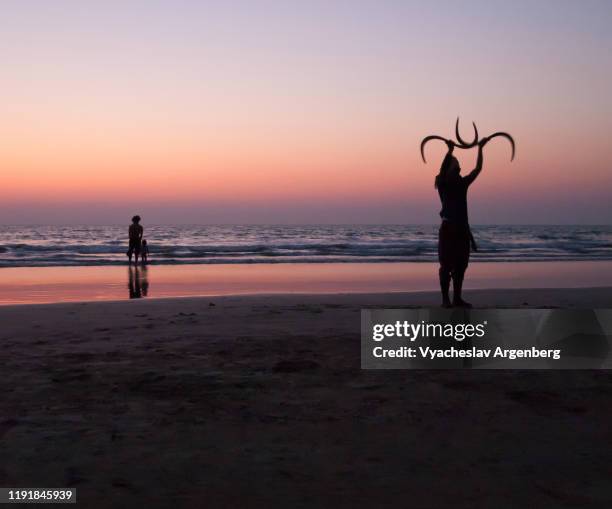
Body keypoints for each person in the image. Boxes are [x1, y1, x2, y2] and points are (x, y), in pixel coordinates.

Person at [435, 137, 489, 307]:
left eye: (456, 161)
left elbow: (478, 168)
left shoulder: (462, 183)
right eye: (453, 161)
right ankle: (445, 300)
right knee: (446, 265)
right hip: (448, 228)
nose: (456, 163)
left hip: (462, 230)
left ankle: (457, 298)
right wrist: (449, 151)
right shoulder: (442, 182)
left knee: (461, 266)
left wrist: (481, 148)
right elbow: (442, 172)